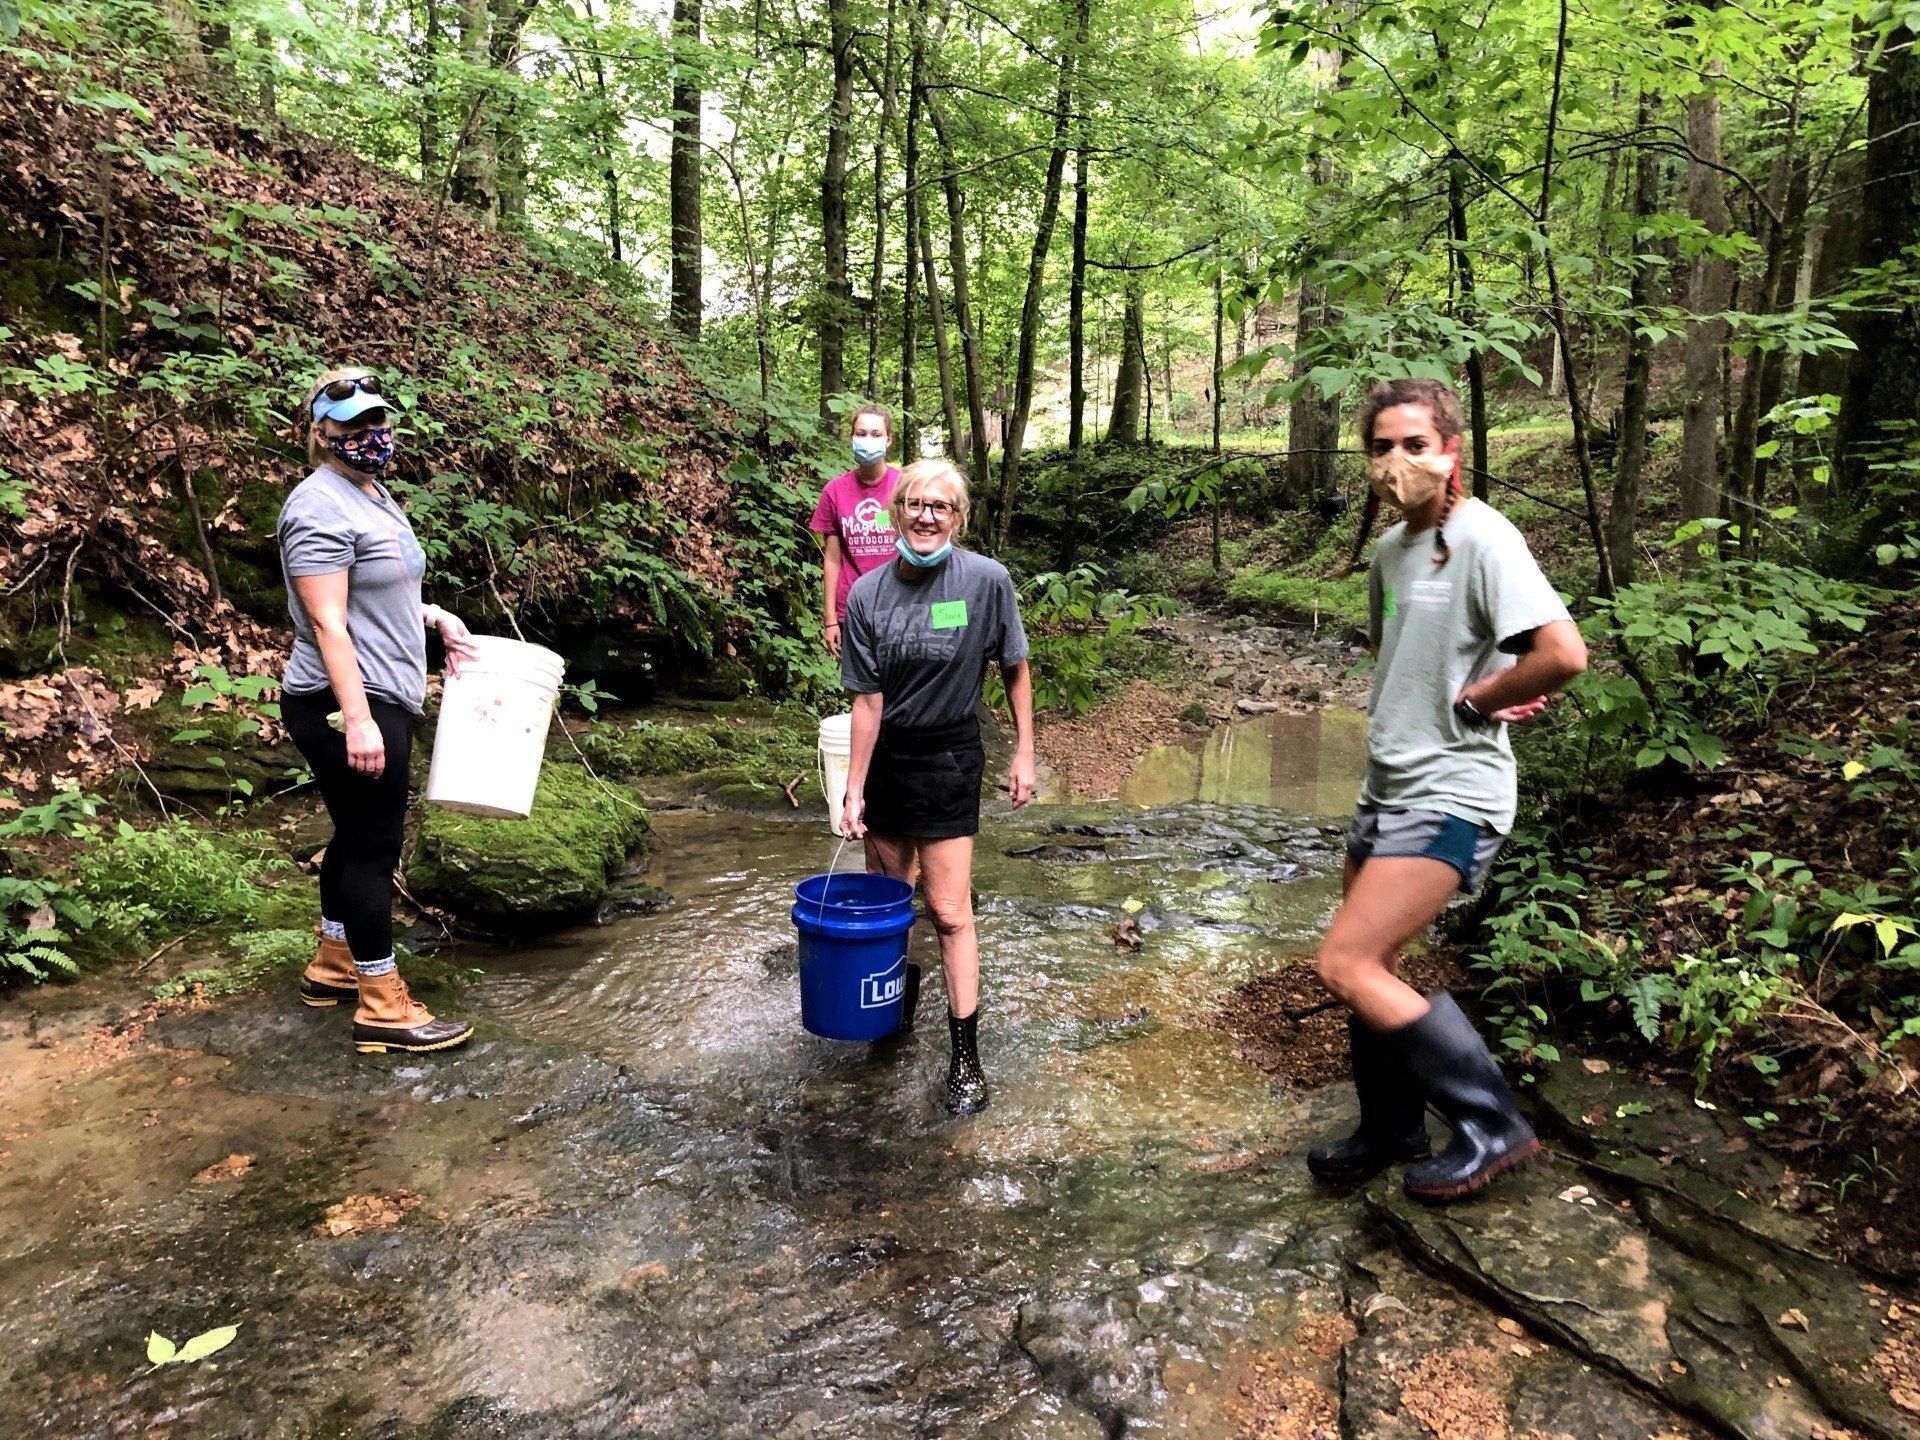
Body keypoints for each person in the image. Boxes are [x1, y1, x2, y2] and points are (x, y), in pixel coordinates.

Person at [1308, 377, 1588, 1201]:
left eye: (1415, 445)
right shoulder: (1392, 550)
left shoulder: (1484, 535)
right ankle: (1390, 1129)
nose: (1397, 462)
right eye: (1381, 447)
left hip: (1455, 790)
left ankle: (1493, 1124)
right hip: (1386, 785)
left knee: (1347, 961)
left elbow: (1563, 653)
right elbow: (1424, 653)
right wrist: (1494, 674)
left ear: (1450, 452)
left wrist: (1486, 697)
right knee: (1378, 962)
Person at [279, 366, 479, 1056]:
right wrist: (358, 717)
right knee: (373, 847)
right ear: (322, 434)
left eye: (379, 423)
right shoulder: (317, 507)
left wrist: (433, 617)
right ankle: (382, 1005)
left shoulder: (370, 492)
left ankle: (333, 965)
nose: (372, 437)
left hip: (378, 691)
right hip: (342, 702)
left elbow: (377, 590)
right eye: (355, 428)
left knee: (353, 836)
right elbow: (328, 621)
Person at [837, 459, 1036, 1115]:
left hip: (951, 756)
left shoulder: (986, 583)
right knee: (891, 907)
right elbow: (866, 705)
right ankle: (889, 1018)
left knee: (949, 913)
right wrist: (853, 790)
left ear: (959, 518)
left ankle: (965, 1059)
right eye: (915, 504)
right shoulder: (866, 596)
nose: (926, 516)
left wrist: (1026, 751)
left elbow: (1014, 666)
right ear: (897, 512)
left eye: (941, 507)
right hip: (890, 755)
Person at [811, 404, 903, 659]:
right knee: (864, 690)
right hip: (852, 608)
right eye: (861, 434)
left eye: (876, 434)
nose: (868, 440)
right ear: (852, 438)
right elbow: (832, 559)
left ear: (888, 440)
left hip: (900, 606)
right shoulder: (835, 491)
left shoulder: (905, 486)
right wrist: (830, 619)